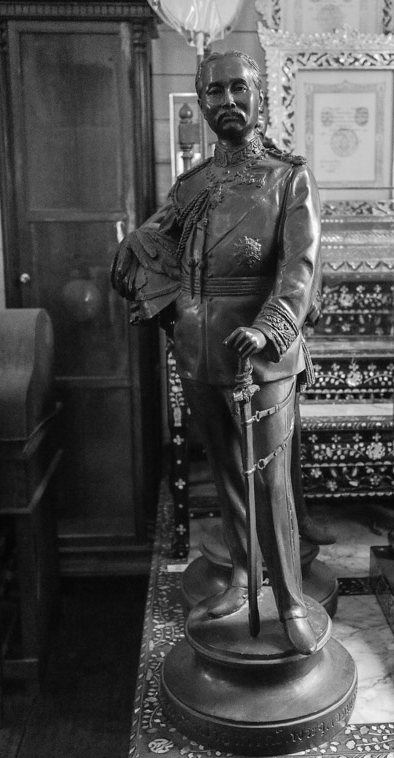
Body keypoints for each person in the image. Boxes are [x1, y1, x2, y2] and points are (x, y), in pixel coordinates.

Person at [111, 50, 323, 654]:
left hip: (261, 355)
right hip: (198, 348)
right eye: (214, 92)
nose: (227, 101)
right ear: (201, 103)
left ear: (259, 96)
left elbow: (300, 266)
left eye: (238, 88)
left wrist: (270, 328)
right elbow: (155, 239)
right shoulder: (193, 185)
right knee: (227, 475)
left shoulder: (288, 177)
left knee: (271, 481)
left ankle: (290, 600)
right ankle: (241, 576)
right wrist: (137, 251)